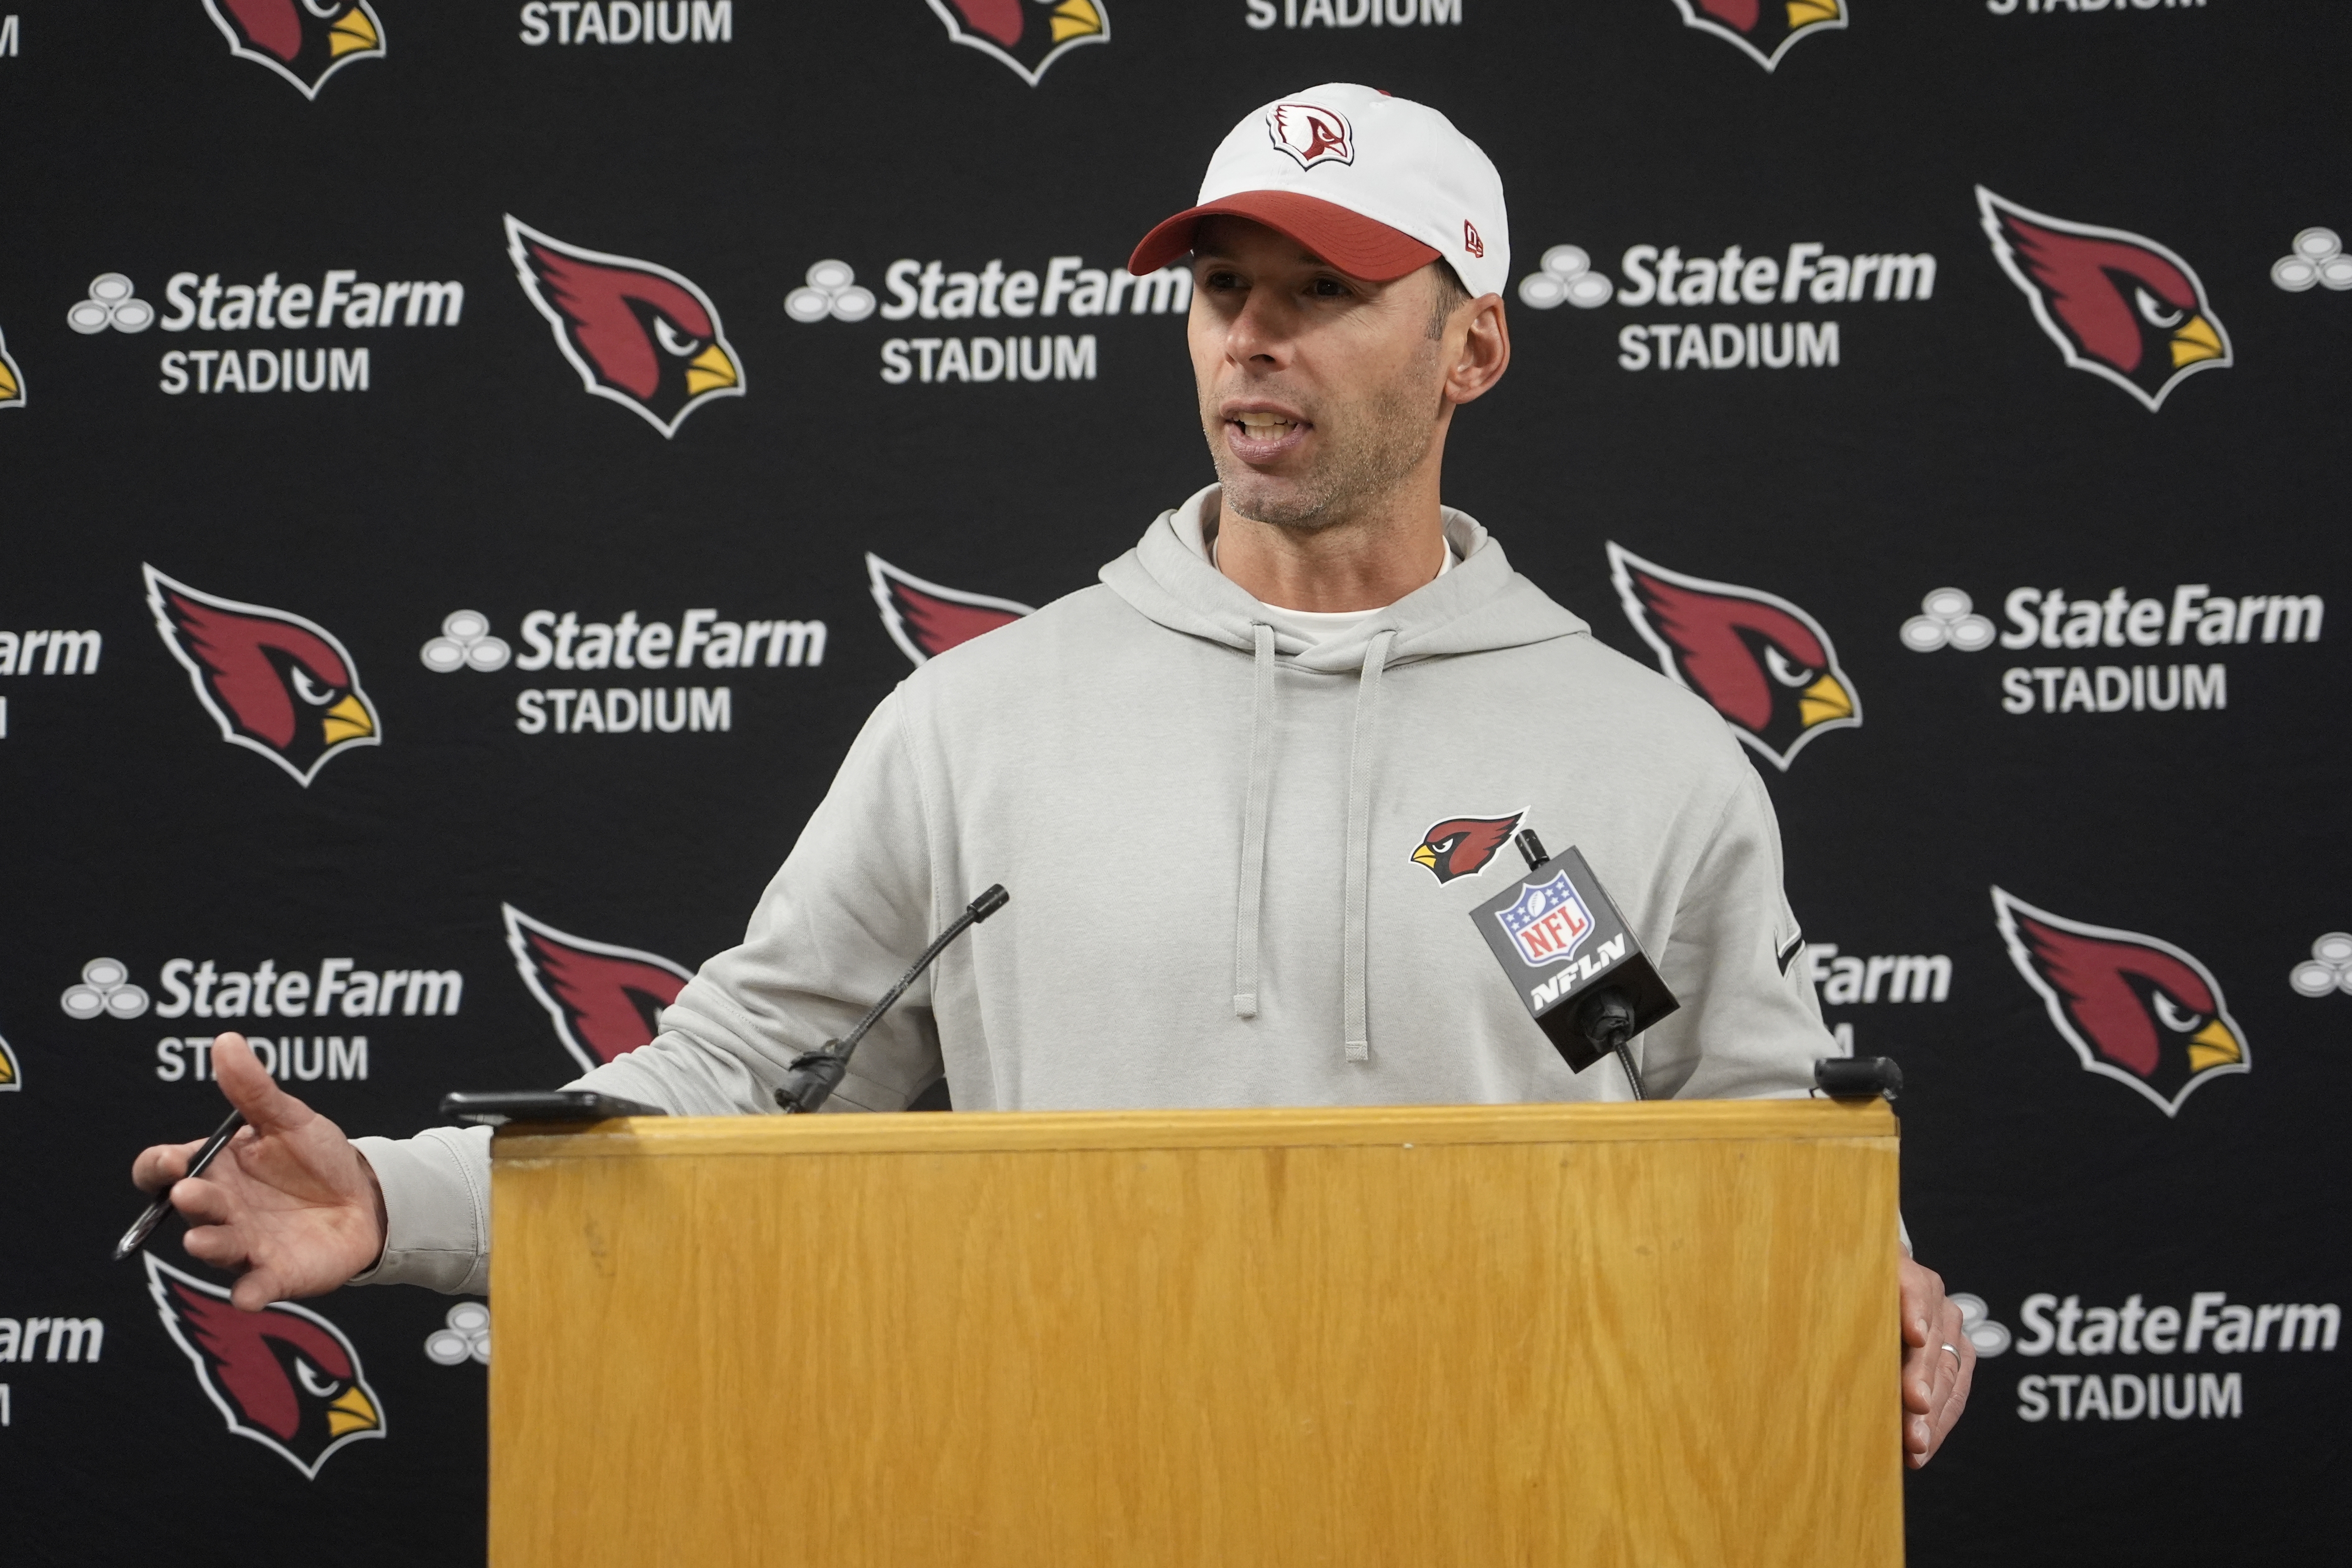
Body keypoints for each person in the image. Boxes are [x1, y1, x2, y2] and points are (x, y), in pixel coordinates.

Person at [134, 84, 1974, 1465]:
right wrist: (401, 1202)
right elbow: (740, 1083)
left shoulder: (1640, 759)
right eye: (1223, 288)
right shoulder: (981, 724)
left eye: (1327, 289)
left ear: (1471, 344)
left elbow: (1761, 1146)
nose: (1252, 335)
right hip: (1067, 1487)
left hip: (1523, 1488)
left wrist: (1864, 1284)